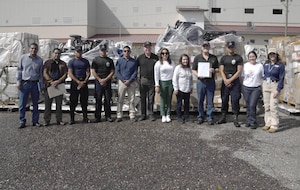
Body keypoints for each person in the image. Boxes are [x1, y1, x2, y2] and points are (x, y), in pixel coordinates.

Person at [216, 41, 243, 127]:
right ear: (226, 48)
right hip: (225, 81)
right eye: (229, 47)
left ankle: (235, 117)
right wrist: (225, 80)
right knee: (224, 99)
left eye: (232, 47)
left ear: (234, 48)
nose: (230, 49)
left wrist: (230, 80)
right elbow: (221, 69)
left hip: (235, 81)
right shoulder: (223, 58)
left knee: (235, 100)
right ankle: (223, 116)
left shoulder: (238, 58)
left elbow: (239, 71)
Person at [17, 43, 43, 128]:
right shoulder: (23, 58)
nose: (33, 50)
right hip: (25, 83)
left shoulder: (39, 60)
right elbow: (19, 70)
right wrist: (18, 81)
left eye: (35, 49)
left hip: (35, 83)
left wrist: (41, 85)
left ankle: (35, 121)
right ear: (29, 49)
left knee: (35, 103)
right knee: (22, 104)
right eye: (32, 48)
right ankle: (22, 121)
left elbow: (40, 74)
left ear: (37, 50)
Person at [192, 41, 219, 125]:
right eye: (204, 46)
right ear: (201, 48)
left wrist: (214, 70)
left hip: (210, 82)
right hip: (201, 82)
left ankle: (209, 117)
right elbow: (193, 69)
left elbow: (218, 69)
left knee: (210, 100)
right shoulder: (197, 58)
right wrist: (198, 75)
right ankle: (200, 116)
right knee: (200, 100)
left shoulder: (214, 58)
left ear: (209, 47)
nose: (205, 47)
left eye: (207, 46)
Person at [43, 48, 68, 126]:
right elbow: (45, 73)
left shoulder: (63, 64)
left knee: (59, 104)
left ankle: (59, 119)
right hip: (49, 85)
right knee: (48, 104)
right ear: (52, 54)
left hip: (59, 85)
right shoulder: (47, 63)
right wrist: (51, 81)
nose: (57, 55)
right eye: (55, 53)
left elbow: (65, 74)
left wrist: (58, 81)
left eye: (58, 53)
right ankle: (47, 120)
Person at [262, 48, 285, 133]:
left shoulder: (280, 65)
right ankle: (268, 122)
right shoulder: (266, 64)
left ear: (276, 55)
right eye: (270, 54)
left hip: (274, 85)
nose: (272, 56)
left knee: (273, 106)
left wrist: (278, 89)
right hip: (266, 84)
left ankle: (274, 125)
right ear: (268, 55)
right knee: (267, 105)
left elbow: (282, 78)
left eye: (274, 54)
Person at [91, 44, 115, 123]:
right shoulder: (95, 60)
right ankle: (97, 117)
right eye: (102, 50)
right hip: (98, 82)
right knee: (98, 99)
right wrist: (100, 80)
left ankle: (108, 116)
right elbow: (93, 71)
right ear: (99, 51)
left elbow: (112, 72)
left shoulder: (109, 60)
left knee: (107, 99)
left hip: (107, 82)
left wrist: (105, 80)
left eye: (104, 50)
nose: (103, 52)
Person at [68, 46, 91, 124]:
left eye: (80, 51)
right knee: (73, 101)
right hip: (75, 83)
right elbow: (70, 73)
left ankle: (85, 117)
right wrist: (78, 82)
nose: (79, 53)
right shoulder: (72, 61)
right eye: (77, 51)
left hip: (84, 82)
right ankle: (72, 119)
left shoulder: (85, 61)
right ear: (75, 52)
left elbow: (88, 72)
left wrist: (84, 81)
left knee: (84, 101)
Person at [136, 41, 159, 121]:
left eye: (148, 47)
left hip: (152, 81)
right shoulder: (140, 58)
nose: (147, 48)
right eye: (146, 47)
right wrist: (137, 77)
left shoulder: (155, 57)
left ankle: (151, 114)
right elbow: (136, 68)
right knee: (142, 98)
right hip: (143, 80)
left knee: (151, 99)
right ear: (144, 48)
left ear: (151, 47)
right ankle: (143, 114)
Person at [115, 46, 138, 122]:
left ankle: (132, 115)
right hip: (122, 82)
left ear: (130, 52)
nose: (126, 52)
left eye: (128, 51)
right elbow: (117, 71)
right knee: (120, 99)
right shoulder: (119, 61)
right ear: (123, 52)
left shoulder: (134, 61)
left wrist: (130, 80)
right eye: (124, 51)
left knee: (131, 99)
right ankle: (119, 115)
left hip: (131, 82)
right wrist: (123, 80)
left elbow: (135, 72)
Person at [242, 51, 264, 129]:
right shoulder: (245, 66)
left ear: (256, 57)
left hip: (256, 88)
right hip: (246, 87)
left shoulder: (260, 66)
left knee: (252, 105)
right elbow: (242, 76)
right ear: (248, 58)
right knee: (248, 105)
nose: (252, 58)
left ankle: (253, 121)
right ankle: (248, 120)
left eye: (253, 56)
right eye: (250, 57)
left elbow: (263, 76)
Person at [154, 48, 176, 123]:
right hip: (162, 82)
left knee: (169, 98)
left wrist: (174, 84)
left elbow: (174, 73)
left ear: (168, 54)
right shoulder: (158, 63)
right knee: (163, 99)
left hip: (170, 82)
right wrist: (157, 85)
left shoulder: (172, 63)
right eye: (163, 53)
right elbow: (156, 75)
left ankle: (168, 114)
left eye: (166, 53)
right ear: (161, 55)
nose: (165, 55)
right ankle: (163, 114)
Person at [172, 54, 193, 124]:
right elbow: (174, 78)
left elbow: (191, 79)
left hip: (187, 89)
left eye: (186, 59)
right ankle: (179, 117)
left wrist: (191, 87)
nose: (185, 61)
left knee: (187, 104)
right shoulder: (178, 68)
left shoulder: (189, 68)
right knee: (179, 104)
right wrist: (175, 88)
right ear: (181, 60)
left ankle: (186, 116)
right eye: (184, 59)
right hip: (180, 89)